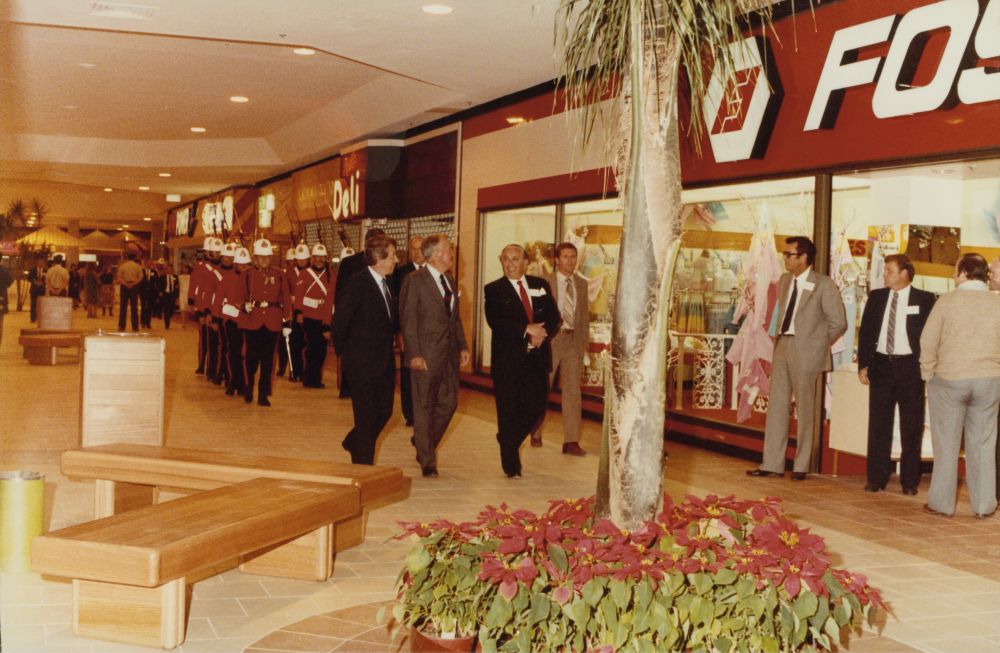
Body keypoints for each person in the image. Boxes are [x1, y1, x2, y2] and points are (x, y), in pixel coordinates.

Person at [747, 236, 846, 481]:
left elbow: (839, 322)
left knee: (806, 408)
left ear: (803, 257)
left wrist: (817, 344)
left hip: (808, 351)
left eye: (789, 254)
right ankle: (772, 463)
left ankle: (802, 465)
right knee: (777, 407)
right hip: (783, 346)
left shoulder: (823, 284)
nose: (785, 258)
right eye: (785, 254)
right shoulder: (783, 281)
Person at [920, 253, 1000, 518]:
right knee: (983, 445)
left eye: (956, 270)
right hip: (988, 380)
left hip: (949, 381)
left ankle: (942, 504)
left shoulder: (947, 301)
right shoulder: (997, 302)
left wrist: (928, 373)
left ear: (964, 273)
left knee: (947, 445)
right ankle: (984, 505)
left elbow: (928, 340)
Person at [856, 254, 936, 495]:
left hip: (910, 366)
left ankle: (910, 481)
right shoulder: (877, 297)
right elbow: (867, 331)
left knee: (911, 424)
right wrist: (864, 363)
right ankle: (876, 477)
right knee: (879, 423)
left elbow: (931, 336)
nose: (885, 275)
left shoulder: (925, 299)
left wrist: (928, 365)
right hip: (881, 365)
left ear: (904, 273)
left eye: (889, 271)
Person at [484, 244, 561, 478]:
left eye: (515, 259)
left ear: (525, 263)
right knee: (508, 411)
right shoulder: (494, 289)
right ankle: (511, 465)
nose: (510, 263)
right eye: (505, 259)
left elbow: (553, 317)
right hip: (507, 361)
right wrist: (527, 329)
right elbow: (496, 320)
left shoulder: (540, 285)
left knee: (536, 407)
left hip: (536, 359)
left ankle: (507, 439)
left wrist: (542, 333)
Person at [399, 234, 469, 478]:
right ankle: (427, 460)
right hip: (425, 354)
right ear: (437, 254)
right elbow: (407, 320)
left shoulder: (449, 280)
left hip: (448, 354)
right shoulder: (414, 280)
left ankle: (423, 441)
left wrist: (462, 346)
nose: (452, 254)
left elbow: (455, 319)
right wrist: (414, 354)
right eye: (449, 250)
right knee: (424, 406)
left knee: (449, 403)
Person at [332, 233, 399, 465]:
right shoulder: (357, 283)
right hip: (361, 364)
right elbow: (340, 321)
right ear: (379, 259)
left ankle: (354, 441)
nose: (396, 260)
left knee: (385, 412)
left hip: (384, 362)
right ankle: (363, 470)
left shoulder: (388, 282)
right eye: (392, 256)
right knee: (366, 417)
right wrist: (347, 356)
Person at [542, 242, 590, 456]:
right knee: (542, 387)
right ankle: (535, 430)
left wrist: (584, 347)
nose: (570, 261)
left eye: (573, 256)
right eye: (566, 256)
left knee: (573, 392)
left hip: (573, 341)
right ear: (557, 260)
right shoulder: (546, 282)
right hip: (551, 340)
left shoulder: (581, 283)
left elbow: (584, 317)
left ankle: (571, 441)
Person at [335, 227, 386, 399]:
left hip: (375, 322)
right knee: (351, 356)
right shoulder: (350, 263)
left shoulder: (386, 265)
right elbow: (340, 293)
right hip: (353, 319)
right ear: (367, 243)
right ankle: (347, 387)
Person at [237, 239, 286, 407]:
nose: (264, 260)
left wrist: (287, 321)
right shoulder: (246, 274)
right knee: (251, 358)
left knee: (268, 361)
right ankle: (249, 386)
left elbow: (285, 298)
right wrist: (244, 305)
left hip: (272, 320)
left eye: (267, 257)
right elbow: (238, 296)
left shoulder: (279, 274)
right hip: (253, 321)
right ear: (255, 257)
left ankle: (263, 393)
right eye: (261, 257)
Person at [393, 235, 425, 426]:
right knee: (408, 373)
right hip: (407, 331)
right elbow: (397, 305)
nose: (417, 252)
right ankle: (410, 413)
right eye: (413, 249)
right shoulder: (401, 273)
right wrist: (399, 332)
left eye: (420, 248)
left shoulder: (433, 273)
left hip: (427, 333)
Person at [294, 243, 335, 388]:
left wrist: (328, 321)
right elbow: (299, 295)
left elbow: (330, 300)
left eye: (322, 257)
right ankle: (309, 377)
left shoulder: (331, 275)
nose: (319, 260)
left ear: (325, 258)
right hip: (309, 316)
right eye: (316, 257)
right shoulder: (305, 273)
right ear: (312, 258)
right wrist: (298, 311)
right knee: (312, 348)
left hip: (324, 317)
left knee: (321, 350)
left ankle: (315, 378)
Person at [221, 247, 251, 396]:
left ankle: (244, 383)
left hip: (249, 321)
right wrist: (215, 316)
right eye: (239, 264)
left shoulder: (254, 278)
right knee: (233, 353)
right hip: (232, 320)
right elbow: (220, 298)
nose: (242, 267)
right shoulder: (227, 277)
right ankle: (233, 381)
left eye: (245, 265)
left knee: (246, 354)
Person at [284, 243, 311, 381]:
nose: (301, 261)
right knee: (294, 343)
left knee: (307, 344)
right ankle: (295, 371)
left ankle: (307, 371)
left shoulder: (313, 271)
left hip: (310, 311)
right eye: (299, 259)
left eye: (304, 259)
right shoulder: (289, 272)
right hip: (294, 310)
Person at [116, 252, 144, 331]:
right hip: (134, 286)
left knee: (123, 306)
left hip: (124, 286)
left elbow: (119, 277)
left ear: (127, 257)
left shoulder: (122, 266)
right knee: (134, 307)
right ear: (135, 258)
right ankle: (135, 326)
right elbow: (141, 277)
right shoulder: (137, 266)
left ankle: (121, 326)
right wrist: (133, 284)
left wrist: (125, 283)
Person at [155, 259, 179, 329]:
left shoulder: (175, 277)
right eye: (168, 270)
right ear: (166, 270)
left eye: (170, 269)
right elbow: (158, 285)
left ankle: (169, 317)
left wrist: (177, 296)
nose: (169, 271)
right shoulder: (162, 277)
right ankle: (167, 323)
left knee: (171, 309)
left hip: (172, 295)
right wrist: (159, 292)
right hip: (165, 294)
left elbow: (177, 287)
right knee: (166, 309)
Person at [138, 259, 159, 328]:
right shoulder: (141, 271)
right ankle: (142, 322)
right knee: (143, 307)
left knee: (150, 307)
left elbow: (156, 281)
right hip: (143, 291)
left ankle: (148, 322)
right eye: (149, 263)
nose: (150, 265)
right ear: (145, 263)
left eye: (151, 263)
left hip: (151, 292)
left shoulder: (154, 272)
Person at [27, 256, 47, 322]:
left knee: (41, 305)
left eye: (42, 262)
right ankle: (33, 318)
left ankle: (40, 318)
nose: (41, 264)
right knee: (33, 305)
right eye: (39, 262)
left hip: (42, 290)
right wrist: (34, 282)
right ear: (37, 263)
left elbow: (48, 279)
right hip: (33, 290)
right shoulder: (33, 270)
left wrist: (43, 282)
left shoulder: (46, 271)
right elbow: (29, 278)